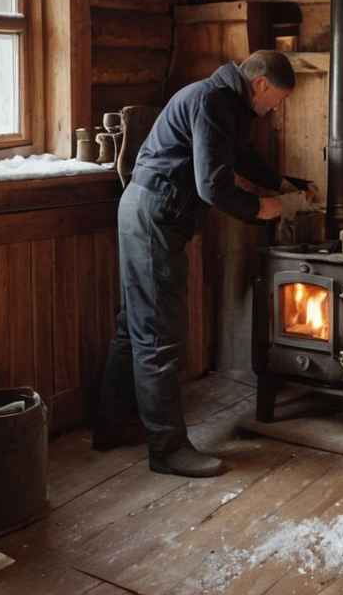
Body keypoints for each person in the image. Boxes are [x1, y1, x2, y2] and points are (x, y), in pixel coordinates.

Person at [92, 49, 318, 477]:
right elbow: (213, 186)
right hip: (154, 217)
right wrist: (260, 209)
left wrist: (286, 183)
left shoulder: (225, 102)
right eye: (279, 99)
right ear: (261, 84)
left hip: (147, 212)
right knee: (159, 336)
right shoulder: (212, 101)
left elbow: (243, 157)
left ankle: (110, 428)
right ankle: (168, 449)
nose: (276, 108)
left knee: (134, 328)